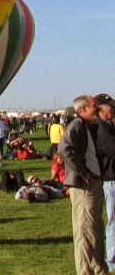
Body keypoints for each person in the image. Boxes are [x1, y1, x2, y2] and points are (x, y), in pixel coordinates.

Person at [58, 94, 108, 275]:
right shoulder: (77, 126)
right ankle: (86, 271)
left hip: (93, 182)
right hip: (83, 186)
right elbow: (64, 148)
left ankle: (98, 268)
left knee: (95, 228)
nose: (98, 109)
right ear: (83, 109)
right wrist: (82, 172)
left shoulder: (90, 127)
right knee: (85, 229)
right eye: (95, 106)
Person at [93, 93, 115, 273]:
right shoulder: (102, 128)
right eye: (110, 106)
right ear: (101, 109)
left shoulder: (108, 126)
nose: (113, 108)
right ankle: (113, 258)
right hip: (111, 179)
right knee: (114, 220)